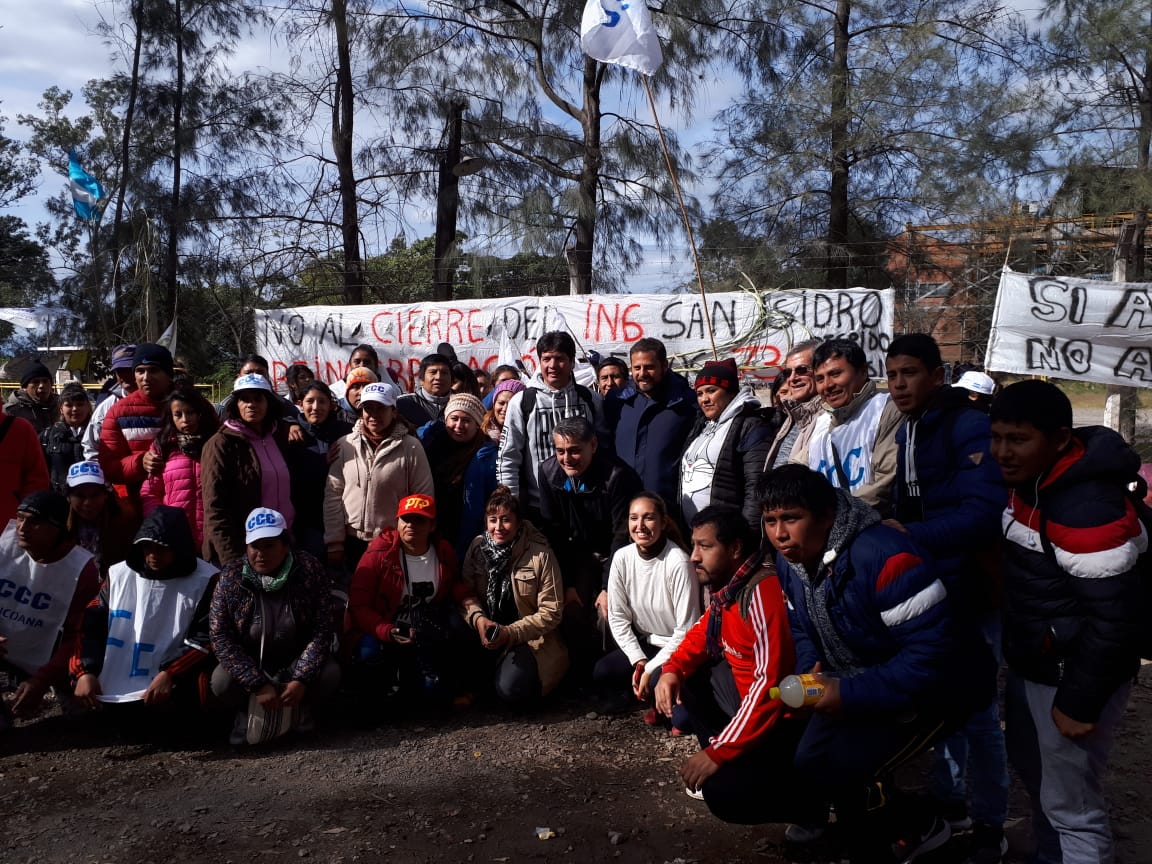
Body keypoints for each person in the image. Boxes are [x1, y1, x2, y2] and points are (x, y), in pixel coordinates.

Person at [758, 465, 995, 862]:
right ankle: (904, 826)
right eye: (770, 521)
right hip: (863, 679)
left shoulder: (886, 557)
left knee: (852, 767)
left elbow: (931, 658)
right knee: (810, 761)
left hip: (942, 688)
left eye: (791, 519)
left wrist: (847, 693)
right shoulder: (791, 561)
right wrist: (812, 664)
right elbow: (801, 623)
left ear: (826, 516)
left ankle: (901, 834)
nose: (779, 533)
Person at [989, 381, 1145, 864]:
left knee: (1072, 807)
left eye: (1017, 439)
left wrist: (1079, 701)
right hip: (1038, 663)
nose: (1003, 452)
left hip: (1070, 675)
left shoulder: (1086, 509)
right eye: (996, 438)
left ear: (1059, 440)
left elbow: (1116, 621)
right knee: (1044, 788)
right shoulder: (1033, 483)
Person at [883, 333, 1009, 860]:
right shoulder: (912, 428)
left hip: (973, 592)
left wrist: (910, 536)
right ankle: (949, 803)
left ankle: (991, 827)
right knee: (944, 705)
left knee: (979, 712)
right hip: (934, 589)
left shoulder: (965, 425)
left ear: (938, 375)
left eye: (909, 373)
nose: (899, 385)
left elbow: (983, 515)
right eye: (892, 376)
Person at [654, 506, 794, 805]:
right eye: (694, 545)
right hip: (745, 704)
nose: (694, 556)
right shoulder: (728, 592)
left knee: (723, 797)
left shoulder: (762, 592)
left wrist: (719, 752)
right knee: (684, 676)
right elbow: (702, 633)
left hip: (779, 721)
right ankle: (732, 759)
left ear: (734, 549)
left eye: (705, 546)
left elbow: (770, 687)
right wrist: (672, 668)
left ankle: (811, 809)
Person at [71, 506, 217, 720]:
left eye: (162, 549)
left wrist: (171, 672)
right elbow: (91, 625)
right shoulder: (118, 575)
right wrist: (85, 671)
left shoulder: (207, 579)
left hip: (178, 676)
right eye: (147, 547)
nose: (152, 555)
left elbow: (208, 634)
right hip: (118, 681)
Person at [209, 508, 339, 746]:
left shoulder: (309, 570)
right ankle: (245, 713)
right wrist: (257, 683)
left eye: (269, 545)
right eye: (254, 546)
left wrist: (301, 678)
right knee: (221, 682)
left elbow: (323, 628)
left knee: (329, 673)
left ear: (285, 545)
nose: (260, 554)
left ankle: (302, 708)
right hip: (252, 663)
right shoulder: (230, 577)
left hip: (295, 660)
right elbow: (221, 637)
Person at [537, 416, 641, 675]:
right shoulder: (549, 472)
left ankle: (615, 674)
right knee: (572, 606)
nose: (567, 459)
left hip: (614, 552)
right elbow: (555, 532)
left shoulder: (617, 475)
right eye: (560, 451)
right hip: (577, 553)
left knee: (610, 612)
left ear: (593, 445)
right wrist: (568, 582)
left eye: (574, 451)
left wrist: (607, 587)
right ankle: (579, 673)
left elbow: (621, 535)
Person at [346, 494, 463, 707]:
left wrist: (472, 605)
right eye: (405, 518)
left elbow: (454, 586)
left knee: (432, 697)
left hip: (423, 634)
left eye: (419, 519)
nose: (410, 524)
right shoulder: (378, 554)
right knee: (368, 653)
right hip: (381, 631)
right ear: (397, 521)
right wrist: (387, 630)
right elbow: (358, 606)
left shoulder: (443, 552)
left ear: (432, 525)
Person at [598, 492, 699, 730]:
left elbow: (686, 630)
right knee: (603, 672)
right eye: (634, 518)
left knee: (680, 719)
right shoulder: (622, 557)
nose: (640, 526)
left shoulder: (678, 562)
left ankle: (663, 700)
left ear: (663, 523)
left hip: (675, 647)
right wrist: (639, 661)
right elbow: (618, 617)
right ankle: (647, 696)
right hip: (647, 644)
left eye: (648, 518)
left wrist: (651, 669)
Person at [458, 486, 567, 703]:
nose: (498, 527)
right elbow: (465, 593)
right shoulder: (477, 548)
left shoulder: (540, 555)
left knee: (512, 689)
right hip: (486, 631)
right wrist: (479, 620)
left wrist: (509, 632)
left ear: (518, 522)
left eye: (506, 519)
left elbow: (551, 612)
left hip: (528, 638)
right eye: (492, 520)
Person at [0, 491, 100, 726]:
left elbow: (78, 635)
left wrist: (41, 681)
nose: (22, 527)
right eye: (20, 518)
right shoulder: (5, 547)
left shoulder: (81, 570)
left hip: (47, 654)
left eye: (34, 522)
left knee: (85, 717)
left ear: (57, 527)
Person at [325, 382, 434, 576]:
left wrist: (412, 540)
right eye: (368, 408)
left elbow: (422, 497)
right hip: (351, 543)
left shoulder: (411, 447)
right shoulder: (344, 446)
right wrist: (335, 542)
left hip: (392, 542)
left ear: (393, 411)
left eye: (380, 408)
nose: (373, 415)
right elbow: (333, 495)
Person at [497, 331, 605, 516]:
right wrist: (510, 507)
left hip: (588, 504)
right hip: (539, 509)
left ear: (572, 362)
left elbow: (605, 450)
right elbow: (508, 458)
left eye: (560, 359)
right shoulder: (522, 402)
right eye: (546, 359)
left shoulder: (591, 399)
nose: (552, 365)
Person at [793, 339, 902, 516]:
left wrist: (833, 517)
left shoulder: (887, 410)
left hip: (870, 530)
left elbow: (884, 483)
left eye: (835, 374)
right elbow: (796, 472)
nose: (827, 385)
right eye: (820, 378)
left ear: (863, 371)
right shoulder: (822, 421)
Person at [201, 373, 294, 565]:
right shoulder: (220, 443)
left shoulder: (280, 436)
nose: (251, 404)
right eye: (244, 399)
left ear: (269, 403)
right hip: (241, 551)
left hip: (279, 545)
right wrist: (232, 560)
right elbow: (214, 507)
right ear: (236, 404)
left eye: (257, 398)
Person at [607, 338, 699, 523]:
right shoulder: (617, 401)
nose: (642, 374)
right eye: (637, 368)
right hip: (624, 508)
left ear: (664, 365)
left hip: (668, 509)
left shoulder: (686, 403)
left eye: (649, 367)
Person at [679, 358, 773, 530]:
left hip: (727, 535)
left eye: (711, 391)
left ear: (730, 392)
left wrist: (747, 534)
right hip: (696, 534)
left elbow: (755, 485)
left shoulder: (749, 426)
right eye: (699, 393)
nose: (704, 399)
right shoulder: (701, 426)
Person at [417, 393, 498, 562]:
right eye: (454, 418)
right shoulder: (431, 446)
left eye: (466, 420)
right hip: (432, 532)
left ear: (477, 424)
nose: (459, 425)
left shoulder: (486, 456)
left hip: (469, 534)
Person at [140, 387, 220, 551]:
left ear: (200, 413)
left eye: (190, 412)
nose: (185, 419)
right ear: (171, 416)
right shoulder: (163, 447)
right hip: (174, 536)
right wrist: (161, 521)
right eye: (178, 414)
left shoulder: (216, 445)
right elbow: (150, 492)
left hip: (212, 537)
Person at [98, 343, 177, 503]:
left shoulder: (192, 404)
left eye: (153, 370)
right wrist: (140, 463)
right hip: (138, 504)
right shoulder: (118, 412)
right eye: (140, 371)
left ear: (168, 374)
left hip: (188, 501)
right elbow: (109, 466)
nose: (146, 378)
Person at [286, 381, 353, 562]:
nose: (316, 407)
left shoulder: (346, 432)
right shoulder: (290, 434)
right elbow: (291, 476)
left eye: (322, 401)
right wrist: (322, 463)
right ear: (300, 404)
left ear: (331, 405)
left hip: (343, 518)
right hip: (306, 521)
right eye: (310, 401)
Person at [65, 461, 136, 579]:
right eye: (80, 496)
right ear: (68, 497)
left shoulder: (125, 520)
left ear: (105, 495)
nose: (88, 503)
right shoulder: (57, 526)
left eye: (95, 495)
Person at [764, 340, 823, 469]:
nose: (792, 378)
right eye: (788, 372)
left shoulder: (827, 418)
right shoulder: (795, 415)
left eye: (801, 370)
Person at [82, 344, 136, 461]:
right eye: (120, 371)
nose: (126, 376)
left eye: (129, 370)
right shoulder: (106, 408)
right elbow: (91, 448)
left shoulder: (159, 401)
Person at [40, 382, 92, 494]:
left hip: (91, 500)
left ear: (88, 407)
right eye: (69, 405)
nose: (74, 409)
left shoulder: (100, 433)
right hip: (58, 499)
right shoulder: (48, 436)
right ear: (61, 409)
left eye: (80, 404)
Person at [397, 353, 454, 427]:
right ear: (421, 379)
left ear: (452, 379)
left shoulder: (462, 403)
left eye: (444, 373)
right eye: (433, 372)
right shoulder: (403, 403)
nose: (439, 377)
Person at [5, 361, 56, 435]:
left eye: (45, 381)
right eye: (35, 382)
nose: (42, 385)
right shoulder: (10, 412)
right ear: (25, 387)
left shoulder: (61, 407)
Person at [481, 378, 526, 444]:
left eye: (511, 404)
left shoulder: (530, 435)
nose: (505, 409)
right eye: (501, 403)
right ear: (494, 404)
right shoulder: (481, 434)